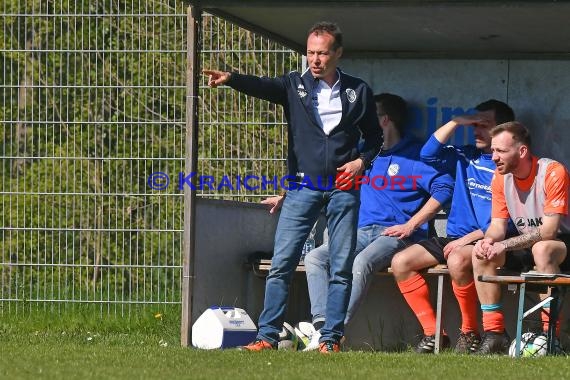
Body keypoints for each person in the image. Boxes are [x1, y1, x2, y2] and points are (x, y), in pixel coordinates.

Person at [204, 21, 382, 353]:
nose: (314, 60)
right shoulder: (294, 85)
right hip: (302, 189)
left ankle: (330, 339)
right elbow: (262, 85)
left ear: (337, 53)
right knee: (282, 263)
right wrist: (231, 79)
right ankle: (267, 336)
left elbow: (374, 138)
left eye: (322, 53)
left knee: (340, 267)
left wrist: (361, 162)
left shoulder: (358, 90)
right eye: (310, 53)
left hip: (344, 190)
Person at [299, 93, 454, 350]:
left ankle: (334, 335)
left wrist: (411, 224)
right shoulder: (363, 154)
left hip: (396, 236)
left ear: (383, 120)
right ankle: (322, 327)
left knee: (362, 262)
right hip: (360, 232)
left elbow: (444, 188)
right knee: (316, 258)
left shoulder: (415, 155)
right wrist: (285, 196)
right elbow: (321, 178)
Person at [390, 100, 515, 354]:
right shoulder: (464, 155)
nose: (477, 130)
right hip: (455, 238)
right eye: (475, 124)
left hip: (489, 241)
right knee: (400, 263)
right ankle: (434, 335)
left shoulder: (506, 167)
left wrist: (464, 241)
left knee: (457, 259)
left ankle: (469, 334)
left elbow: (502, 224)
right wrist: (457, 121)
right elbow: (427, 153)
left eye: (485, 125)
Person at [472, 121, 570, 354]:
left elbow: (549, 231)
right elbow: (497, 226)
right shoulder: (500, 178)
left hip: (562, 241)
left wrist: (504, 245)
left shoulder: (553, 171)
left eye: (501, 151)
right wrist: (488, 241)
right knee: (480, 254)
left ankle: (550, 337)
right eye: (493, 150)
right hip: (526, 241)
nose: (494, 157)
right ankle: (494, 334)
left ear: (522, 151)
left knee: (542, 250)